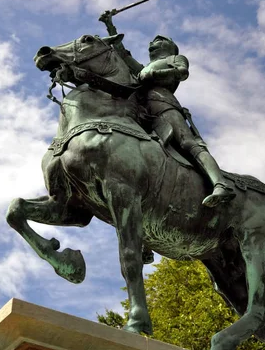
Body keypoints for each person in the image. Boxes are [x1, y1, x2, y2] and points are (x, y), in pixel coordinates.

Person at [99, 11, 235, 208]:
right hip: (141, 110)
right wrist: (110, 25)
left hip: (163, 104)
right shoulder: (144, 67)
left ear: (168, 45)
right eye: (151, 43)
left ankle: (220, 184)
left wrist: (154, 73)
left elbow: (182, 73)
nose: (151, 44)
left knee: (188, 143)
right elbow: (123, 54)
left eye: (157, 41)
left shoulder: (175, 58)